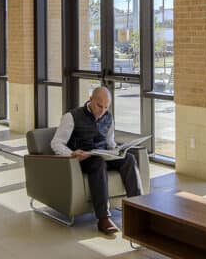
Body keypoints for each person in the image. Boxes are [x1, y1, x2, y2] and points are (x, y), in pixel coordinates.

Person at [51, 86, 142, 235]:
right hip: (83, 160)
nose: (102, 111)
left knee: (129, 158)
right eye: (99, 106)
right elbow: (56, 143)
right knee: (98, 162)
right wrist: (71, 153)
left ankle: (138, 209)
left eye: (106, 107)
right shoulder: (72, 116)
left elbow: (109, 141)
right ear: (90, 99)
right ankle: (103, 218)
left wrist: (117, 151)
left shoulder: (108, 117)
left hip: (103, 154)